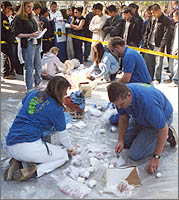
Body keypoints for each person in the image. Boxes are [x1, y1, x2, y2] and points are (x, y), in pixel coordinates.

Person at [5, 76, 77, 182]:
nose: (65, 95)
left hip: (11, 143)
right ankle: (35, 170)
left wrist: (35, 117)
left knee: (39, 149)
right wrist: (70, 148)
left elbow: (20, 107)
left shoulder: (33, 93)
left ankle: (18, 161)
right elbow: (63, 135)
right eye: (65, 92)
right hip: (29, 148)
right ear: (60, 92)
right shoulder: (56, 108)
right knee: (63, 156)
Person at [107, 82, 177, 174]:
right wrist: (120, 140)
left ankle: (167, 134)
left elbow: (162, 129)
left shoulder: (148, 104)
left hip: (161, 121)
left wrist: (156, 157)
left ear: (129, 95)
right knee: (126, 142)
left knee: (135, 154)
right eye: (117, 105)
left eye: (121, 104)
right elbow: (123, 117)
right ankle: (145, 133)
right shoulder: (122, 94)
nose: (119, 107)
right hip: (140, 118)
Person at [12, 1, 42, 92]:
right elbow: (16, 34)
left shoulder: (31, 17)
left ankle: (38, 83)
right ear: (23, 6)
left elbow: (34, 30)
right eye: (28, 7)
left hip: (35, 42)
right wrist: (30, 35)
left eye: (31, 7)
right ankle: (29, 87)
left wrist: (37, 32)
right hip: (27, 43)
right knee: (29, 66)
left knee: (38, 65)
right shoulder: (18, 18)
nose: (30, 9)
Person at [143, 4, 172, 84]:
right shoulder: (152, 19)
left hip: (158, 44)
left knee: (158, 62)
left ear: (159, 10)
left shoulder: (166, 20)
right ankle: (149, 77)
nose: (152, 15)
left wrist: (162, 47)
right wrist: (145, 43)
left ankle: (157, 78)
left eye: (153, 13)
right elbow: (147, 31)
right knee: (148, 62)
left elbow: (166, 34)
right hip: (149, 43)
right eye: (151, 13)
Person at [1, 1, 16, 79]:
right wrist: (10, 40)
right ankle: (6, 73)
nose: (10, 10)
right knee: (7, 57)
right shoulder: (3, 18)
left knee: (7, 56)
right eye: (8, 8)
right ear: (4, 8)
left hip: (6, 40)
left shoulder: (4, 17)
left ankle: (7, 72)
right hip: (4, 41)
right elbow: (6, 30)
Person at [164, 9, 178, 87]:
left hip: (177, 48)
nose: (173, 18)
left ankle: (176, 80)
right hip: (174, 47)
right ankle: (172, 77)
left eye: (174, 16)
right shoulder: (176, 25)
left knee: (176, 64)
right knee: (172, 64)